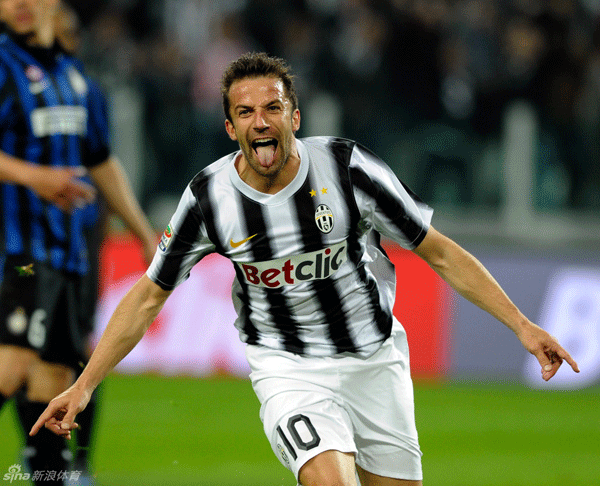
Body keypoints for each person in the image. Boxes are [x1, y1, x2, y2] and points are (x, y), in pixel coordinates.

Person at [31, 52, 579, 486]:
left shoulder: (348, 170)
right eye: (245, 112)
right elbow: (150, 295)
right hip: (288, 367)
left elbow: (439, 251)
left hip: (376, 359)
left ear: (294, 116)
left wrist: (522, 326)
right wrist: (83, 386)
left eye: (272, 108)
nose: (260, 122)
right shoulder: (209, 198)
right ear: (230, 127)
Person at [0, 0, 156, 483]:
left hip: (68, 255)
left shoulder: (76, 77)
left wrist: (142, 231)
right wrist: (34, 177)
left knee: (54, 382)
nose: (21, 4)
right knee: (14, 362)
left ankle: (51, 478)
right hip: (16, 251)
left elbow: (100, 159)